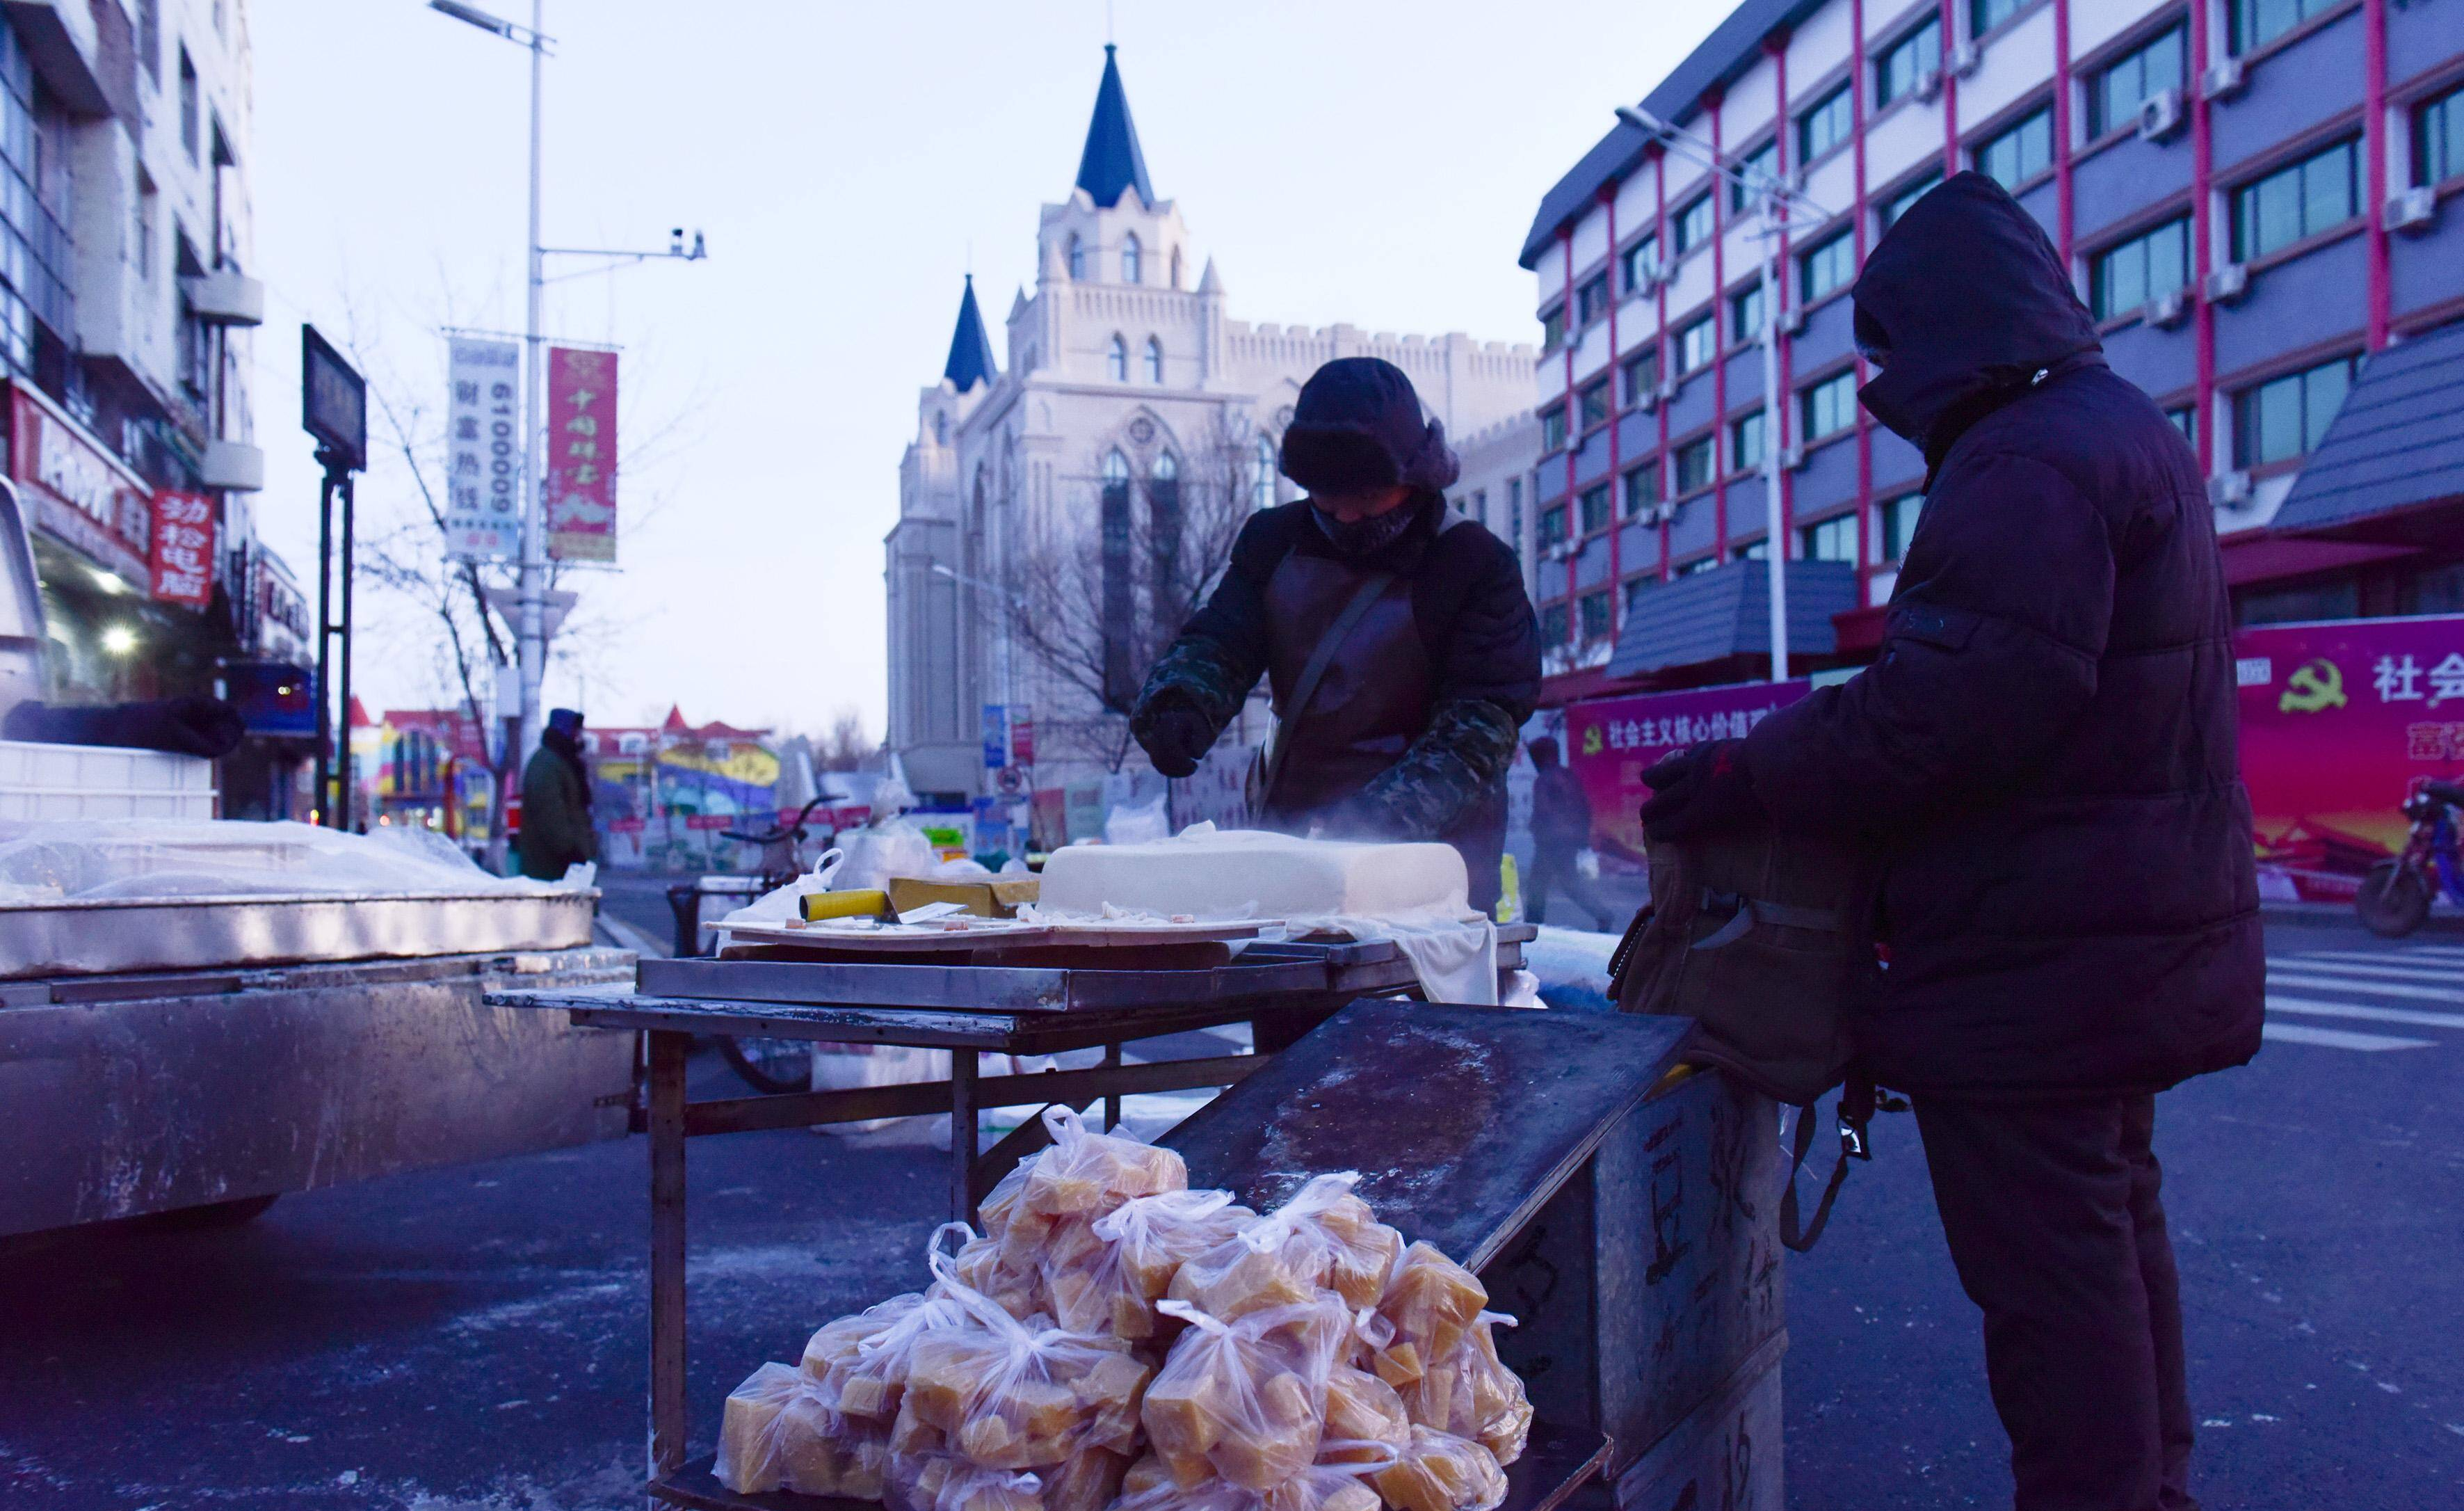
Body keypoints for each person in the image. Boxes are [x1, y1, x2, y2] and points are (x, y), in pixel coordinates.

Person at [1636, 173, 2262, 1511]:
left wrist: (1746, 773)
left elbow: (1948, 709)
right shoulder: (2118, 434)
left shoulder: (2025, 460)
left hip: (2038, 957)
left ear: (1944, 334)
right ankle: (2146, 1490)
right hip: (2111, 941)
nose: (1878, 383)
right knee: (2106, 1234)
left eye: (1886, 349)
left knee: (2050, 1277)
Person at [1129, 357, 1540, 911]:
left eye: (1368, 497)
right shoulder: (1273, 541)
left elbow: (1481, 724)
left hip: (1431, 862)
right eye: (1328, 496)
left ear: (1414, 477)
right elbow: (1223, 638)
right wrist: (1182, 701)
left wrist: (1372, 823)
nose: (1346, 515)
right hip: (1293, 845)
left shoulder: (1474, 564)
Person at [1523, 736, 1615, 930]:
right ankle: (1603, 915)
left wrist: (1536, 827)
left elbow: (1544, 811)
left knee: (1538, 886)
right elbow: (1585, 809)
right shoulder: (1568, 776)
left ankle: (1532, 927)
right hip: (1568, 840)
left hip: (1551, 842)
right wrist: (1580, 836)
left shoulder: (1544, 779)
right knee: (1569, 884)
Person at [519, 706, 598, 881]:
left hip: (561, 867)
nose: (580, 737)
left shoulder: (560, 763)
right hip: (552, 870)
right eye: (576, 731)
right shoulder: (548, 764)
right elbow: (550, 815)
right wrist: (571, 853)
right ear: (565, 732)